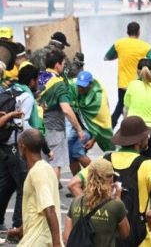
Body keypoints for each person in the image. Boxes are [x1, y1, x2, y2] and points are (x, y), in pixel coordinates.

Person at [68, 116, 151, 247]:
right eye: (146, 135)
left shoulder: (104, 160)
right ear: (139, 141)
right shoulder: (146, 164)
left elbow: (73, 184)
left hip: (106, 236)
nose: (148, 138)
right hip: (137, 237)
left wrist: (93, 207)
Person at [0, 64, 45, 236]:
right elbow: (22, 122)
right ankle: (18, 225)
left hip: (3, 144)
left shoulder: (11, 89)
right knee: (22, 186)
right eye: (37, 80)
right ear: (32, 81)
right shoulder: (27, 96)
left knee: (6, 184)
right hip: (15, 146)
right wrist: (40, 142)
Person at [7, 129, 61, 247]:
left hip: (37, 240)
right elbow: (35, 208)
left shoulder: (38, 172)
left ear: (22, 145)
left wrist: (57, 244)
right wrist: (21, 230)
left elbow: (49, 208)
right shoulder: (45, 168)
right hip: (36, 237)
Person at [105, 22, 151, 126]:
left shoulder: (119, 43)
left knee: (121, 106)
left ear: (127, 32)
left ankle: (112, 128)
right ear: (139, 32)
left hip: (123, 86)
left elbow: (106, 57)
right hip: (139, 85)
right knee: (137, 109)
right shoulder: (146, 46)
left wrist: (119, 55)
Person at [63, 158, 130, 246]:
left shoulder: (77, 201)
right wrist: (118, 198)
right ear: (110, 178)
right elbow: (125, 234)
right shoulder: (116, 205)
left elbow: (66, 238)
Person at [39, 50, 83, 180]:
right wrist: (79, 129)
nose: (64, 66)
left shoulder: (41, 77)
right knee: (55, 164)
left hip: (40, 126)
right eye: (63, 63)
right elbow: (66, 110)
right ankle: (53, 197)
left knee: (44, 164)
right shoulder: (58, 84)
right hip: (54, 129)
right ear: (57, 65)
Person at [123, 58, 151, 164]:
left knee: (133, 165)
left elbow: (127, 105)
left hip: (134, 130)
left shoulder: (132, 85)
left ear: (137, 71)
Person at [72, 71, 114, 170]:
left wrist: (93, 140)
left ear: (90, 85)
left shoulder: (98, 99)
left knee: (76, 151)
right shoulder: (74, 88)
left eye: (83, 86)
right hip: (80, 127)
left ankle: (99, 174)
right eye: (79, 85)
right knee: (73, 154)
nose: (80, 88)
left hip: (91, 130)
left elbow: (101, 124)